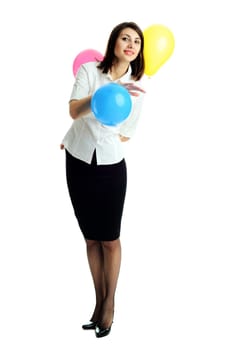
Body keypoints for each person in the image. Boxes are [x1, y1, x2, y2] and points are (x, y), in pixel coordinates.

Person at [61, 21, 146, 338]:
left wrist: (103, 135)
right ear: (113, 42)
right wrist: (106, 94)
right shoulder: (88, 71)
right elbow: (73, 111)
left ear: (139, 51)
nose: (131, 43)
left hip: (111, 167)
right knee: (90, 239)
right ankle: (97, 304)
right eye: (125, 37)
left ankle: (109, 306)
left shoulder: (138, 87)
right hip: (78, 160)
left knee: (109, 239)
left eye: (136, 41)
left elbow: (125, 135)